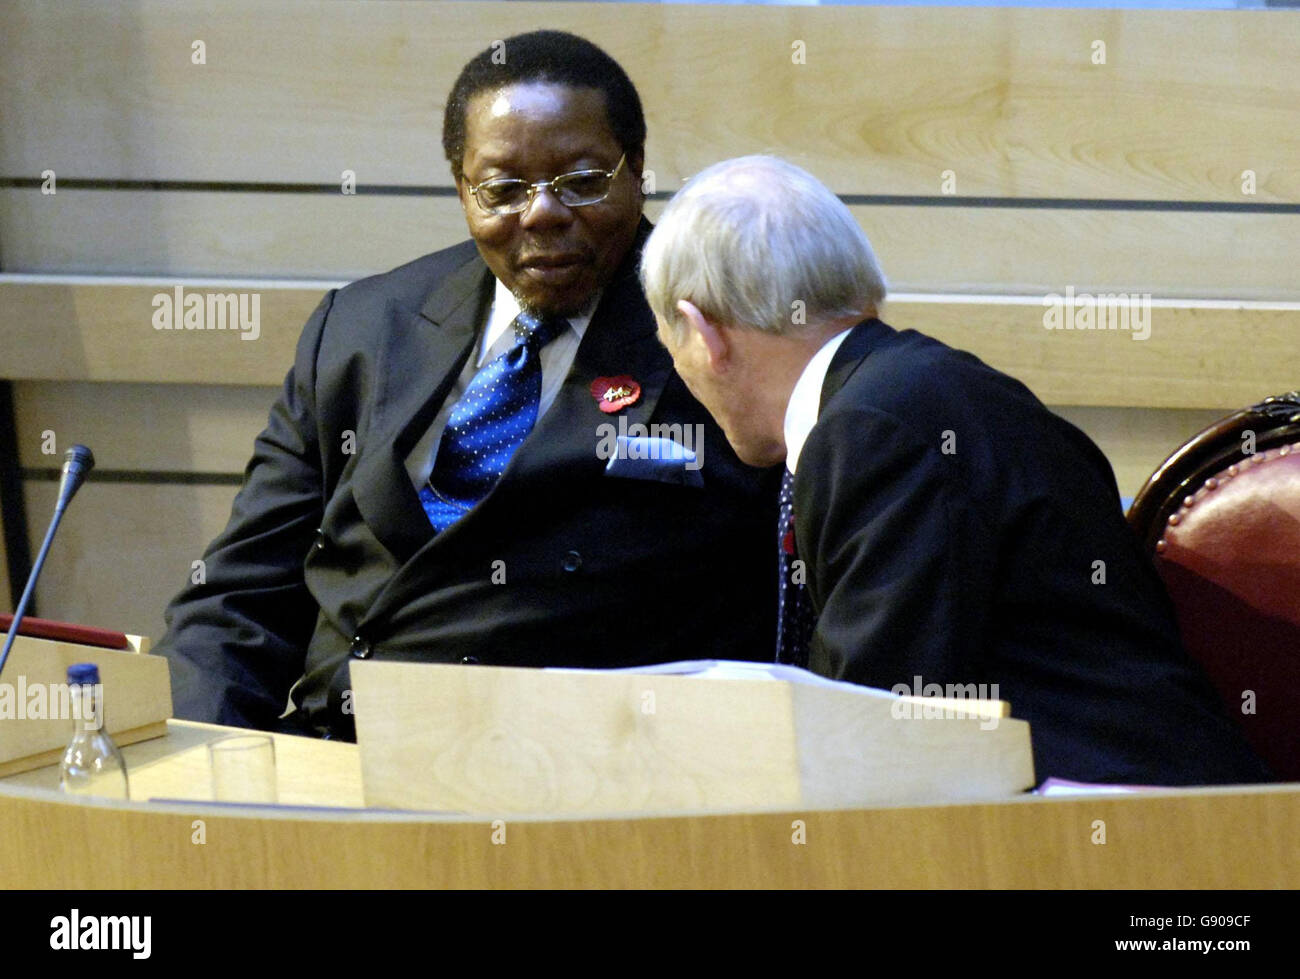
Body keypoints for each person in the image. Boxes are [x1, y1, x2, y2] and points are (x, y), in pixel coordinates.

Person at [155, 33, 779, 740]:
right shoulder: (363, 327)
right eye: (503, 189)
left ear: (637, 172)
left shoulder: (719, 335)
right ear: (462, 191)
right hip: (344, 755)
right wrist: (196, 767)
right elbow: (239, 595)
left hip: (583, 774)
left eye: (581, 181)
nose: (541, 212)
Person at [640, 154, 1270, 785]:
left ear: (699, 331)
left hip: (1121, 835)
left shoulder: (871, 430)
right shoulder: (928, 389)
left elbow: (873, 728)